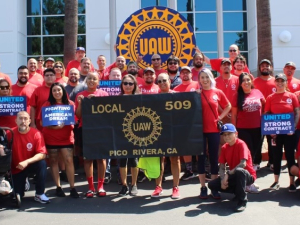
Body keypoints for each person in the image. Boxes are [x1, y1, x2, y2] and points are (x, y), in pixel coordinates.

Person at [38, 83, 79, 198]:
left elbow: (75, 119)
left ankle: (72, 187)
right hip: (51, 138)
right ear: (51, 93)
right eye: (54, 90)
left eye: (59, 90)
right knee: (53, 162)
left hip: (67, 138)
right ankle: (58, 187)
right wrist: (55, 127)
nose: (57, 92)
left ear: (63, 91)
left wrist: (72, 121)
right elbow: (42, 122)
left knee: (69, 162)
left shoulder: (70, 104)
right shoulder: (46, 105)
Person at [208, 123, 257, 212]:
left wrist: (228, 174)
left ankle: (242, 200)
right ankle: (238, 192)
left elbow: (243, 164)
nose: (226, 137)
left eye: (229, 134)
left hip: (247, 175)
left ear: (236, 134)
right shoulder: (224, 147)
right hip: (234, 175)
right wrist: (223, 179)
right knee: (212, 184)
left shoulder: (241, 144)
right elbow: (222, 167)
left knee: (239, 171)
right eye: (224, 135)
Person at [198, 68, 231, 199]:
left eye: (207, 77)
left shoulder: (217, 92)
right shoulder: (196, 93)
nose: (205, 80)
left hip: (214, 130)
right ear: (199, 80)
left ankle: (213, 186)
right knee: (200, 159)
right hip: (199, 131)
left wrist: (220, 117)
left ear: (211, 78)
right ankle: (202, 187)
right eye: (202, 77)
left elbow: (228, 105)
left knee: (213, 159)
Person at [75, 72, 108, 197]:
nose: (91, 81)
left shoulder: (104, 95)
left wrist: (97, 101)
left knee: (101, 158)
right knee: (87, 158)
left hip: (100, 130)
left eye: (94, 79)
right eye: (89, 78)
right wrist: (81, 103)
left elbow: (107, 114)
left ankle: (100, 186)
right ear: (86, 80)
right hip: (85, 129)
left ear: (98, 81)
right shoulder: (80, 95)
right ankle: (90, 187)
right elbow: (78, 115)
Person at [264, 73, 300, 191]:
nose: (280, 83)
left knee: (290, 156)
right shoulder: (270, 97)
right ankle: (276, 181)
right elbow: (267, 113)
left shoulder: (292, 96)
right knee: (276, 156)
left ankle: (291, 182)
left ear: (286, 82)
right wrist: (270, 130)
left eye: (282, 81)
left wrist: (293, 127)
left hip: (289, 133)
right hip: (275, 133)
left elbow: (297, 112)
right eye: (277, 81)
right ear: (275, 82)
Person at [151, 73, 181, 199]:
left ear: (170, 81)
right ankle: (158, 187)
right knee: (159, 159)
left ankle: (175, 187)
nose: (162, 82)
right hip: (157, 132)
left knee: (175, 159)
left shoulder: (178, 96)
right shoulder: (153, 99)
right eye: (160, 81)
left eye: (165, 80)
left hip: (174, 131)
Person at [9, 111, 49, 204]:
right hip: (16, 167)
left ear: (30, 121)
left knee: (42, 164)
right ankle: (22, 184)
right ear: (16, 121)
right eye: (20, 118)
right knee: (18, 196)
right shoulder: (9, 133)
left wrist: (26, 162)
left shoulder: (36, 134)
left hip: (30, 165)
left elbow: (42, 154)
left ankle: (39, 193)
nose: (23, 121)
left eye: (25, 119)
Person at [231, 73, 265, 176]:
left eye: (248, 80)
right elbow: (234, 115)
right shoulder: (237, 96)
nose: (246, 82)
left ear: (251, 81)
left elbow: (264, 105)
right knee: (248, 150)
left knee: (256, 149)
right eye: (243, 81)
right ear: (240, 84)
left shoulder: (257, 92)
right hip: (243, 128)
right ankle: (249, 172)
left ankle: (252, 170)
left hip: (258, 127)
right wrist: (234, 130)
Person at [173, 66, 200, 181]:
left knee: (199, 145)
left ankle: (202, 169)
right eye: (183, 73)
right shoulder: (176, 89)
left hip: (197, 120)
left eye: (187, 72)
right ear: (180, 75)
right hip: (183, 122)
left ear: (191, 74)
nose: (185, 74)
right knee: (185, 147)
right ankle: (189, 170)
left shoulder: (198, 85)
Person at [118, 74, 140, 196]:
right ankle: (124, 185)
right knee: (122, 160)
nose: (127, 86)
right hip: (121, 133)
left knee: (134, 160)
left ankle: (134, 184)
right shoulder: (117, 98)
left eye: (130, 83)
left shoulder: (140, 98)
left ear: (134, 85)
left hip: (135, 133)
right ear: (122, 85)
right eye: (125, 83)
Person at [253, 59, 276, 169]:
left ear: (271, 67)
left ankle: (272, 162)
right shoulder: (254, 81)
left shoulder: (276, 81)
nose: (265, 67)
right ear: (259, 68)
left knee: (272, 141)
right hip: (258, 116)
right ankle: (256, 162)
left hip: (272, 116)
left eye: (267, 65)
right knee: (258, 140)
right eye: (263, 66)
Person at [215, 58, 239, 124]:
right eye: (224, 65)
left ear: (231, 67)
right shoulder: (215, 81)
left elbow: (240, 98)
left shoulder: (237, 80)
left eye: (228, 65)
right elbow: (214, 100)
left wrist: (233, 113)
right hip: (220, 115)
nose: (226, 66)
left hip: (235, 115)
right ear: (220, 67)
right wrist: (224, 113)